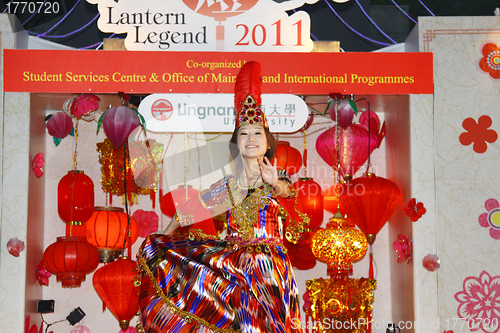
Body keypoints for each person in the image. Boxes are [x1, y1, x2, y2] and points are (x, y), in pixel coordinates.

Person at [137, 61, 307, 333]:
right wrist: (165, 235)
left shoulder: (278, 176)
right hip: (234, 269)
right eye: (243, 133)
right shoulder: (228, 186)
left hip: (272, 270)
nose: (250, 138)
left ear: (267, 140)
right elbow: (191, 209)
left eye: (257, 133)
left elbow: (291, 201)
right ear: (236, 142)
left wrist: (274, 182)